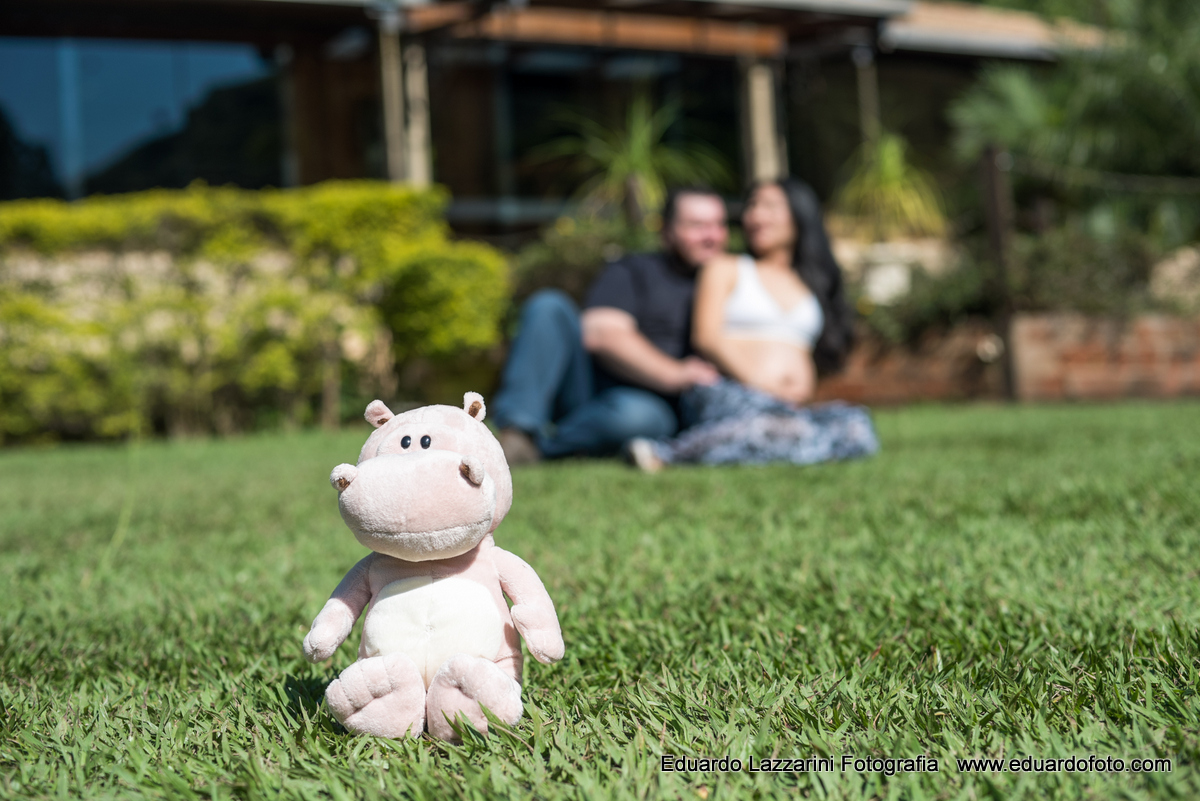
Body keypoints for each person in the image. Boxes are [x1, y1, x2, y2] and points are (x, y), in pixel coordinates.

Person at [627, 178, 879, 470]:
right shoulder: (726, 267)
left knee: (857, 427)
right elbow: (706, 337)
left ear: (800, 213)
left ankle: (779, 439)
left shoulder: (811, 284)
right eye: (752, 206)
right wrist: (766, 386)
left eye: (770, 206)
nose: (756, 215)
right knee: (772, 426)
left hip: (788, 406)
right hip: (731, 392)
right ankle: (667, 454)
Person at [491, 188, 728, 463]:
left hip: (657, 407)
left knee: (635, 417)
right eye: (697, 226)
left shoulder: (737, 282)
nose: (711, 236)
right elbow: (600, 332)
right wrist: (676, 374)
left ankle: (542, 448)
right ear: (667, 231)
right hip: (590, 387)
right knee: (549, 307)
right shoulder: (635, 269)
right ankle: (518, 431)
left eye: (719, 225)